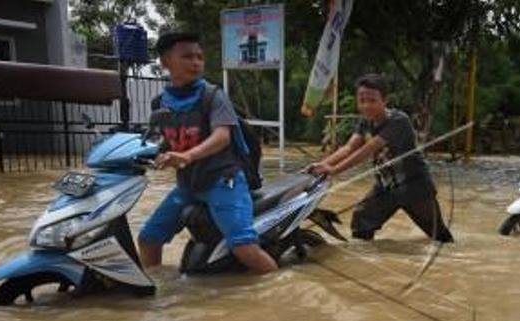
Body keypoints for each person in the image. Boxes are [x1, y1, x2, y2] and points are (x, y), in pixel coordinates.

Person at [137, 32, 277, 274]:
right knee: (148, 238)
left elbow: (222, 137)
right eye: (187, 57)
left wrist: (187, 156)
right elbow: (165, 141)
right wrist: (156, 155)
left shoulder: (213, 96)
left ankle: (278, 292)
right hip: (188, 186)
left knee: (244, 249)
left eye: (199, 57)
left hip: (224, 182)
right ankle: (154, 294)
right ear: (165, 62)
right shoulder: (160, 103)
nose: (196, 62)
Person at [307, 74, 453, 242]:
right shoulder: (365, 122)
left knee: (440, 237)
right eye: (362, 100)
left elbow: (368, 150)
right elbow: (348, 148)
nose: (366, 105)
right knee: (362, 220)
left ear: (385, 101)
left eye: (372, 100)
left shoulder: (399, 121)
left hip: (415, 187)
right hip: (386, 186)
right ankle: (367, 260)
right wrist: (322, 165)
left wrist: (333, 170)